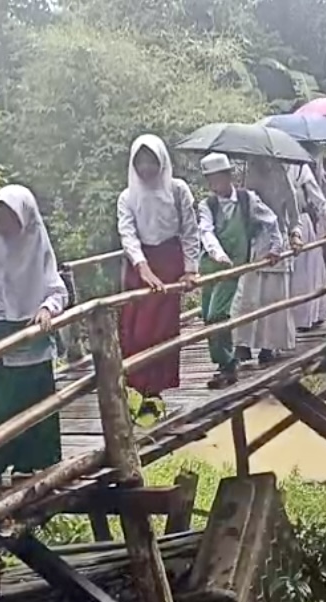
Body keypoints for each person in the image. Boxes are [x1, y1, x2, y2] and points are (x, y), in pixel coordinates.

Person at [0, 184, 68, 490]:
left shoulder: (38, 245)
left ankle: (29, 462)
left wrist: (48, 309)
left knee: (34, 402)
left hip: (33, 338)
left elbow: (56, 290)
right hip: (0, 341)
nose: (5, 226)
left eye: (10, 218)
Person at [117, 134, 199, 424]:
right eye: (140, 162)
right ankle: (132, 393)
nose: (146, 168)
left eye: (151, 161)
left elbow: (190, 230)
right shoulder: (127, 197)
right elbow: (128, 235)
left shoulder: (178, 190)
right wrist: (143, 268)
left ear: (162, 161)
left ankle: (154, 397)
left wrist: (190, 268)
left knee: (160, 331)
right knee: (134, 330)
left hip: (168, 262)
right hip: (140, 267)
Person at [197, 153, 289, 387]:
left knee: (218, 314)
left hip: (234, 265)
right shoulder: (207, 205)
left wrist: (276, 247)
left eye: (218, 178)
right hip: (210, 265)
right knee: (208, 317)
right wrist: (218, 254)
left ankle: (228, 364)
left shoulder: (248, 200)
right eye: (210, 180)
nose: (214, 184)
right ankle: (222, 364)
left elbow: (271, 220)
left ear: (229, 177)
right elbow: (205, 231)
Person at [289, 145, 326, 331]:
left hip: (302, 222)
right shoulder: (269, 171)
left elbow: (317, 197)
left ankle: (304, 318)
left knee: (305, 274)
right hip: (280, 225)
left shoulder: (301, 170)